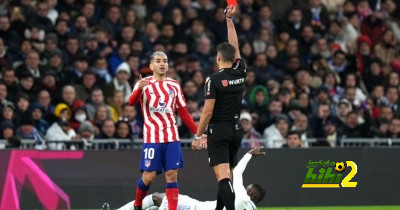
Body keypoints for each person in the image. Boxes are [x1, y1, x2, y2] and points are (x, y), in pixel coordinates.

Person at [127, 51, 202, 210]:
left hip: (172, 137)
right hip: (152, 138)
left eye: (165, 61)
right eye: (158, 61)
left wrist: (198, 132)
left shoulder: (174, 85)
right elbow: (131, 102)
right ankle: (138, 204)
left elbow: (183, 112)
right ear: (151, 65)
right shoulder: (143, 83)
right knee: (149, 177)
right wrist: (138, 89)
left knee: (172, 174)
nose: (162, 64)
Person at [192, 6, 247, 210]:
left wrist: (198, 136)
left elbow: (207, 111)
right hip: (236, 130)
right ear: (234, 59)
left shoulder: (213, 80)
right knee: (227, 175)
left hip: (219, 131)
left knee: (222, 176)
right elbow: (235, 44)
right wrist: (229, 20)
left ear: (218, 58)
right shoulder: (240, 72)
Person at [114, 146, 266, 210]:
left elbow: (237, 172)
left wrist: (249, 154)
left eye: (247, 188)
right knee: (157, 205)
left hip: (194, 208)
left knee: (156, 197)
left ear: (251, 193)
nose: (244, 189)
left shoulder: (242, 198)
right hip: (196, 206)